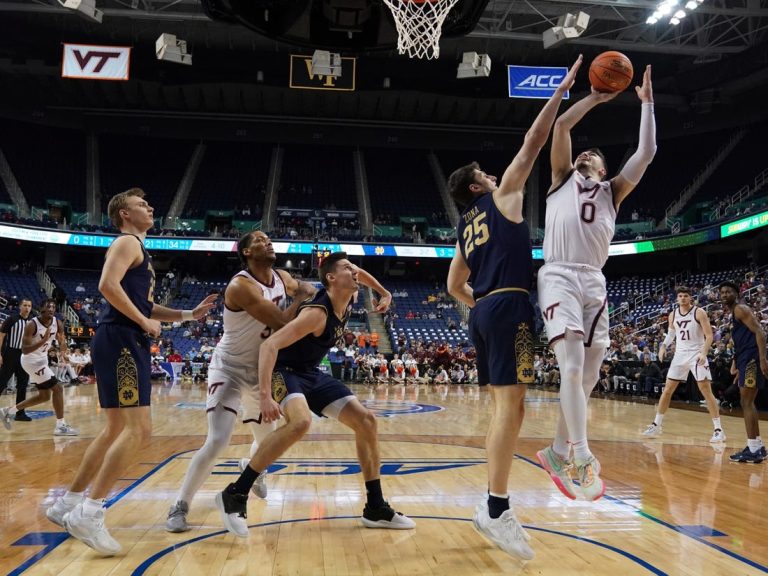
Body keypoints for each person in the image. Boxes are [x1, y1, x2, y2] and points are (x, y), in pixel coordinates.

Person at [446, 56, 582, 560]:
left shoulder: (464, 227)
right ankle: (496, 507)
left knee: (508, 407)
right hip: (505, 307)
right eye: (486, 172)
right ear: (480, 186)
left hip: (486, 310)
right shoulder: (503, 198)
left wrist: (479, 303)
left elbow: (452, 283)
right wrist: (561, 91)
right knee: (512, 407)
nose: (494, 172)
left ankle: (496, 502)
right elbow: (534, 141)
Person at [44, 188, 217, 556]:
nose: (151, 207)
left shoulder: (136, 247)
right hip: (122, 338)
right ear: (124, 214)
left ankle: (67, 504)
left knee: (114, 430)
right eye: (142, 204)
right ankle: (91, 512)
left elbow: (148, 304)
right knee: (139, 430)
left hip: (117, 337)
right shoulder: (126, 243)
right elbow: (107, 286)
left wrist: (187, 315)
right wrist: (140, 320)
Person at [215, 252, 415, 538]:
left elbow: (362, 274)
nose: (355, 272)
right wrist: (264, 397)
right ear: (332, 279)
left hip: (309, 372)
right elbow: (270, 346)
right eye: (348, 269)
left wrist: (384, 292)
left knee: (367, 422)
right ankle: (235, 493)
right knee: (300, 423)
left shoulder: (348, 295)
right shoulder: (316, 314)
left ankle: (375, 507)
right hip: (282, 369)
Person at [536, 64, 656, 502]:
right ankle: (580, 455)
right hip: (559, 273)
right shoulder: (562, 179)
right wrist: (594, 97)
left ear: (604, 172)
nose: (586, 156)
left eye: (594, 157)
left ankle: (553, 450)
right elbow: (563, 124)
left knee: (586, 378)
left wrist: (646, 104)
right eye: (583, 155)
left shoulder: (613, 192)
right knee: (569, 367)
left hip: (595, 282)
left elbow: (646, 154)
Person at [165, 231, 315, 533]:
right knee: (218, 439)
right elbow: (284, 322)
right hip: (230, 368)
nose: (268, 242)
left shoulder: (283, 277)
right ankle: (179, 505)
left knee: (266, 442)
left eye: (269, 238)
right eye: (259, 240)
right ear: (246, 252)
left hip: (262, 368)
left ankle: (252, 469)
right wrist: (301, 297)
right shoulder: (241, 285)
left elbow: (309, 288)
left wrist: (307, 291)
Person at [642, 287, 725, 442]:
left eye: (685, 296)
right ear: (677, 298)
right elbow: (672, 333)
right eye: (680, 296)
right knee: (667, 390)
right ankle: (656, 425)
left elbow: (709, 336)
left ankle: (719, 430)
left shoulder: (699, 312)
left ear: (690, 298)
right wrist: (663, 346)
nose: (682, 298)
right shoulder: (673, 314)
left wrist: (704, 352)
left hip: (696, 354)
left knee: (706, 391)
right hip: (680, 355)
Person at [0, 298, 78, 436]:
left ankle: (8, 411)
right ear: (41, 308)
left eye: (54, 307)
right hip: (30, 360)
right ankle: (60, 426)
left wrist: (63, 351)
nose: (51, 309)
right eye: (48, 307)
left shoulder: (57, 322)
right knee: (58, 389)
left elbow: (62, 340)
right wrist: (43, 340)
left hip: (42, 360)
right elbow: (24, 350)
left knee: (44, 396)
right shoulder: (32, 324)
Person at [719, 281, 768, 463]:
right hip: (745, 359)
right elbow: (743, 339)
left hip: (752, 358)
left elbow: (760, 332)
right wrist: (737, 363)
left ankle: (754, 449)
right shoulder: (734, 313)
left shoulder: (740, 309)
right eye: (722, 292)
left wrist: (762, 359)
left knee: (746, 402)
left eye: (728, 292)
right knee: (747, 401)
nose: (724, 295)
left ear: (736, 293)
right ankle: (758, 446)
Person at [0, 298, 34, 421]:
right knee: (2, 382)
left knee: (22, 385)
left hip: (25, 355)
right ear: (20, 307)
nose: (27, 308)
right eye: (25, 305)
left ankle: (20, 413)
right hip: (10, 353)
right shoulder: (11, 319)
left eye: (29, 306)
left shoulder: (32, 322)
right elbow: (1, 336)